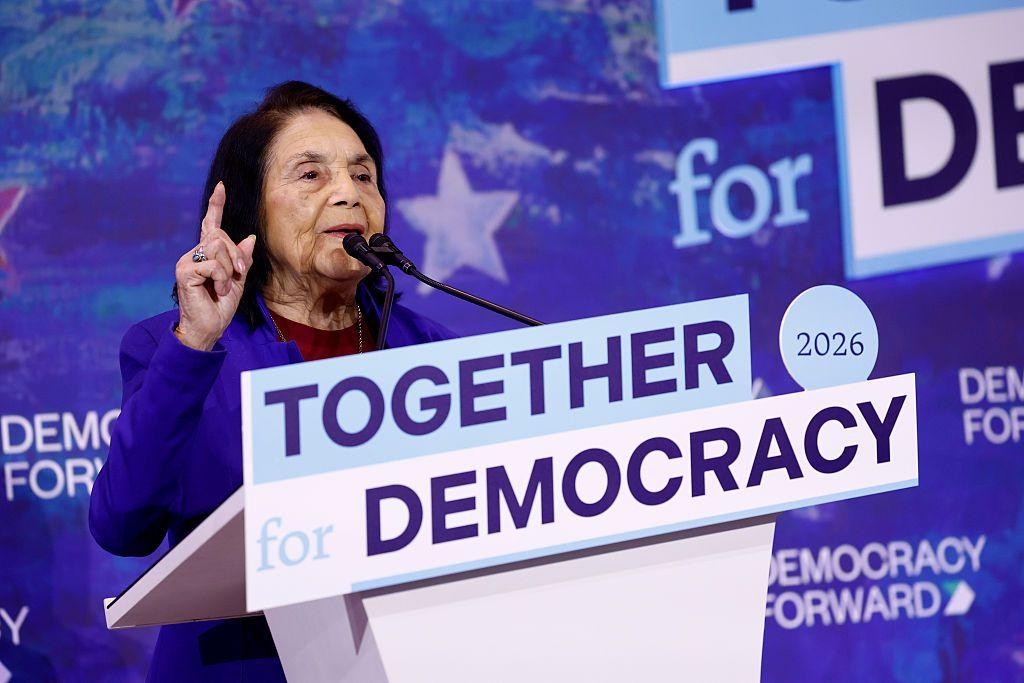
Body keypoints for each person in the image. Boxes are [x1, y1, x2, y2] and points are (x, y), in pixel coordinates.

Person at [89, 81, 455, 682]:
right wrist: (196, 342)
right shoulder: (174, 347)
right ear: (251, 214)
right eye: (311, 176)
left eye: (364, 177)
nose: (349, 194)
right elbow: (122, 526)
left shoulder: (435, 352)